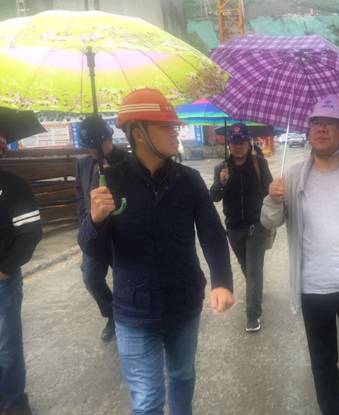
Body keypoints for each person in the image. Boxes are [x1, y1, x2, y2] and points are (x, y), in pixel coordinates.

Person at [78, 88, 235, 415]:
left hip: (184, 303)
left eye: (174, 126)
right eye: (166, 126)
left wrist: (222, 281)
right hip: (133, 311)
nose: (175, 132)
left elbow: (212, 233)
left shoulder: (189, 180)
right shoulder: (109, 182)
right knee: (147, 400)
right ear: (138, 133)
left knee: (182, 376)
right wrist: (95, 220)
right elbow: (91, 248)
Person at [261, 95, 339, 415]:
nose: (319, 129)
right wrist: (273, 199)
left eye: (329, 123)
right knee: (322, 360)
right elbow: (270, 222)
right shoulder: (291, 177)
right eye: (315, 123)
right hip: (313, 288)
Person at [210, 123, 273, 332]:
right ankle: (256, 290)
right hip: (234, 228)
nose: (238, 146)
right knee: (246, 266)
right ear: (229, 144)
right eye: (234, 142)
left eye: (242, 141)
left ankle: (253, 315)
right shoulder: (221, 168)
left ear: (248, 143)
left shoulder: (259, 163)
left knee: (253, 270)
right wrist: (221, 183)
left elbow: (269, 189)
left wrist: (276, 194)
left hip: (257, 225)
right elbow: (214, 197)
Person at [0, 135, 42, 415]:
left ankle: (14, 402)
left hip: (2, 282)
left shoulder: (13, 187)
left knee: (6, 346)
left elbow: (30, 233)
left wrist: (5, 268)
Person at [75, 115, 127, 341]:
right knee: (91, 278)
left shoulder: (127, 161)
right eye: (88, 147)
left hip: (121, 234)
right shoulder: (83, 163)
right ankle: (111, 314)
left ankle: (129, 315)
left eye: (97, 146)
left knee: (126, 278)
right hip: (94, 233)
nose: (93, 151)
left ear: (109, 138)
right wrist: (84, 222)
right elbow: (80, 195)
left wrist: (112, 173)